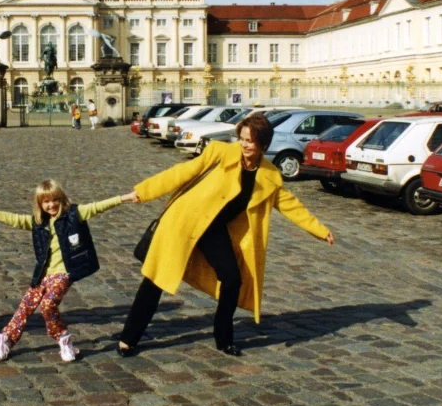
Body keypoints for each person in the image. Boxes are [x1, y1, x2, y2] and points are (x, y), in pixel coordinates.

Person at [117, 112, 335, 358]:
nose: (244, 144)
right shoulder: (220, 153)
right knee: (156, 279)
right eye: (242, 138)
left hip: (214, 229)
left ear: (263, 144)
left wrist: (319, 230)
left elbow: (290, 205)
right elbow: (182, 172)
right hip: (185, 222)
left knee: (232, 279)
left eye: (250, 141)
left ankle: (224, 339)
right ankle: (128, 339)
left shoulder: (269, 176)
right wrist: (143, 192)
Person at [0, 180, 139, 363]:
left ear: (61, 199)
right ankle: (6, 339)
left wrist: (126, 197)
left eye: (55, 200)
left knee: (48, 305)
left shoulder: (74, 215)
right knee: (25, 307)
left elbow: (98, 206)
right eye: (46, 201)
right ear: (39, 204)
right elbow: (16, 219)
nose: (51, 205)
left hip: (64, 273)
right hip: (43, 273)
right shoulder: (39, 222)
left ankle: (63, 338)